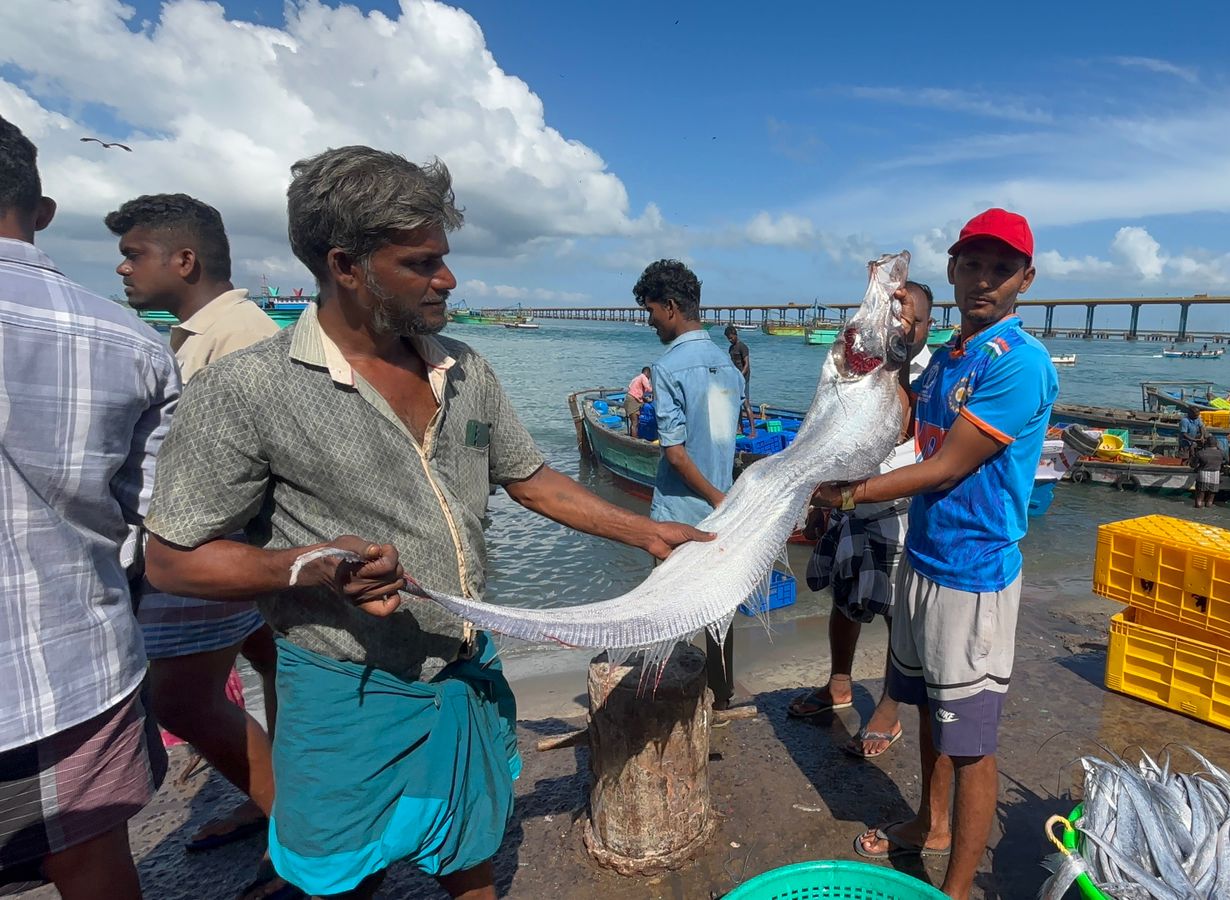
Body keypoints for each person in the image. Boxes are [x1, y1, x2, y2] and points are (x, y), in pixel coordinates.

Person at [141, 146, 709, 900]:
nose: (447, 279)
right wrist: (311, 565)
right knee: (339, 874)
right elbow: (173, 561)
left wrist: (646, 533)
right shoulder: (247, 390)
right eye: (421, 263)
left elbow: (529, 480)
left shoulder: (466, 368)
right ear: (346, 265)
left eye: (444, 257)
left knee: (471, 854)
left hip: (464, 669)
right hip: (345, 687)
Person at [811, 208, 1056, 899]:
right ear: (951, 270)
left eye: (1000, 269)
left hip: (972, 578)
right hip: (922, 558)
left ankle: (951, 891)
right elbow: (904, 418)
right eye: (972, 265)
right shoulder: (952, 353)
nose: (984, 280)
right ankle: (932, 822)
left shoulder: (1022, 364)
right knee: (924, 707)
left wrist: (848, 494)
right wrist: (863, 354)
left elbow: (946, 467)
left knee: (971, 744)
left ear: (1025, 280)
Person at [0, 115, 178, 899]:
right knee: (92, 864)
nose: (122, 266)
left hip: (70, 666)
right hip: (73, 664)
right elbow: (165, 517)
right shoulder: (133, 341)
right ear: (41, 213)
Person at [103, 194, 284, 866]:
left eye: (132, 254)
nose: (122, 269)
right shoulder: (210, 332)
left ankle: (303, 833)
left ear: (184, 259)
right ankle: (280, 794)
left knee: (180, 697)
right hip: (232, 543)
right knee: (272, 663)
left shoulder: (237, 337)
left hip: (215, 543)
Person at [787, 282, 936, 761]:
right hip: (848, 503)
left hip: (899, 509)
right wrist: (817, 502)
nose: (899, 327)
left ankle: (889, 710)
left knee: (900, 615)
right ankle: (839, 684)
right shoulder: (857, 365)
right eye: (891, 319)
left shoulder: (931, 375)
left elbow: (909, 431)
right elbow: (829, 430)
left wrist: (897, 377)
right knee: (843, 599)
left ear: (927, 325)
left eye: (909, 320)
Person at [637, 259, 746, 713]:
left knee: (666, 608)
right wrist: (724, 498)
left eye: (651, 311)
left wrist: (713, 496)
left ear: (671, 307)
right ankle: (722, 696)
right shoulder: (728, 367)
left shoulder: (668, 368)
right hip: (722, 516)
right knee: (719, 612)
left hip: (681, 513)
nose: (649, 321)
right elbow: (721, 442)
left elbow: (677, 454)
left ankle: (667, 696)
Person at [724, 324, 756, 434]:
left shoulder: (743, 347)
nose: (730, 340)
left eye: (731, 337)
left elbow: (747, 365)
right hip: (735, 379)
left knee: (746, 403)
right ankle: (739, 428)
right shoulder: (731, 348)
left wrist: (740, 377)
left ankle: (753, 430)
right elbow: (732, 364)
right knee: (737, 404)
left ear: (735, 335)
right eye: (728, 338)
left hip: (744, 378)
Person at [1191, 435, 1224, 508]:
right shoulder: (1221, 453)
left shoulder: (1201, 453)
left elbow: (1193, 465)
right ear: (1216, 444)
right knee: (1210, 500)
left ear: (1206, 443)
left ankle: (1198, 510)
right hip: (1215, 475)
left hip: (1203, 475)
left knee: (1200, 496)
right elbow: (1226, 461)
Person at [624, 365, 652, 437]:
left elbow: (636, 390)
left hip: (629, 398)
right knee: (635, 423)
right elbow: (649, 389)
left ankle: (631, 437)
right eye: (649, 376)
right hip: (633, 400)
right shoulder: (643, 377)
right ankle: (634, 440)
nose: (649, 378)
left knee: (633, 422)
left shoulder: (636, 378)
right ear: (647, 373)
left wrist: (644, 399)